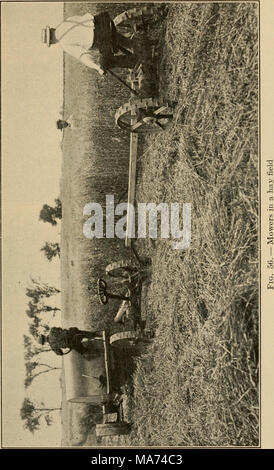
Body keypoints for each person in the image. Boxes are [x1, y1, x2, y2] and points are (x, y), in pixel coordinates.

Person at [41, 11, 138, 76]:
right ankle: (136, 45)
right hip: (104, 20)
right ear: (52, 29)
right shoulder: (65, 22)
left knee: (106, 63)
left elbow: (83, 56)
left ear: (52, 42)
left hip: (102, 39)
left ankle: (137, 62)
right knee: (113, 38)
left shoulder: (64, 44)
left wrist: (98, 68)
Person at [38, 326, 102, 356]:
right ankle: (98, 335)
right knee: (82, 333)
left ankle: (101, 351)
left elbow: (60, 353)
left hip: (72, 343)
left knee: (83, 351)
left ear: (44, 342)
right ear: (44, 335)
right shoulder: (52, 330)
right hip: (72, 333)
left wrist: (63, 346)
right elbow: (60, 329)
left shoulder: (53, 347)